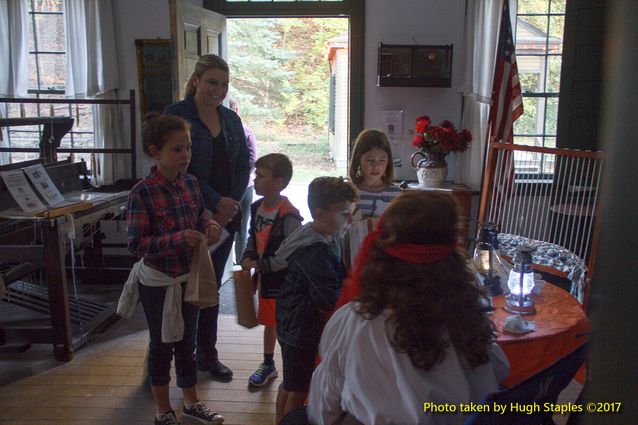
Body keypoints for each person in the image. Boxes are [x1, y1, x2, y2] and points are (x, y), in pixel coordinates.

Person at [307, 191, 510, 425]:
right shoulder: (468, 309)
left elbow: (324, 405)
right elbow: (498, 370)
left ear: (383, 253)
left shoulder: (357, 319)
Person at [118, 113, 225, 425]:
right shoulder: (142, 192)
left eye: (188, 148)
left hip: (186, 277)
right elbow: (137, 245)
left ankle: (191, 403)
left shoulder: (191, 183)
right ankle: (163, 409)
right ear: (155, 152)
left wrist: (210, 223)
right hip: (158, 281)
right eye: (177, 149)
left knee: (187, 343)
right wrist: (179, 238)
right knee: (162, 345)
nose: (185, 156)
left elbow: (200, 214)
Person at [164, 54, 250, 381]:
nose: (219, 90)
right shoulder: (177, 115)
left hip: (223, 216)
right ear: (197, 80)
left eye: (224, 84)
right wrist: (215, 201)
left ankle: (207, 356)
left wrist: (228, 203)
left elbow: (244, 163)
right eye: (212, 82)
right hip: (186, 213)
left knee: (210, 287)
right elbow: (179, 167)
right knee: (181, 292)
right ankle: (163, 362)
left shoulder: (230, 119)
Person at [273, 176, 359, 423]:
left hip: (292, 322)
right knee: (297, 388)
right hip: (301, 329)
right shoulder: (316, 251)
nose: (351, 221)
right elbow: (326, 300)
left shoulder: (314, 234)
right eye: (345, 214)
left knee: (290, 383)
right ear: (320, 213)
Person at [239, 153, 303, 387]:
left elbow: (292, 252)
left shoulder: (290, 216)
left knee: (285, 324)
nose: (255, 180)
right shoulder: (257, 208)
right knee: (269, 323)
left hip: (284, 281)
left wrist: (263, 265)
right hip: (264, 279)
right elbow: (252, 237)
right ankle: (268, 364)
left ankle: (291, 368)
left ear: (278, 182)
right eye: (256, 175)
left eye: (261, 176)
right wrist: (248, 255)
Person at [348, 129, 401, 219]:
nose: (376, 166)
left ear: (388, 161)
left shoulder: (396, 194)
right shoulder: (349, 192)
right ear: (358, 159)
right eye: (369, 160)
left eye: (382, 160)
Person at [229, 97, 258, 263]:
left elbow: (253, 160)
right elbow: (253, 160)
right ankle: (238, 262)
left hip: (244, 188)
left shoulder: (245, 131)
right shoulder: (247, 131)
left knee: (241, 227)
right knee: (240, 227)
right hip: (244, 186)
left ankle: (239, 262)